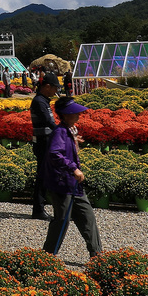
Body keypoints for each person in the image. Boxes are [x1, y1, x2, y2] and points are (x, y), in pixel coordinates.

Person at [42, 97, 104, 259]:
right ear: (65, 114)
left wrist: (74, 141)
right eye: (74, 112)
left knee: (87, 217)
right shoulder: (60, 131)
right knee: (62, 221)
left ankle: (97, 255)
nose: (78, 114)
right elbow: (55, 154)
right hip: (62, 185)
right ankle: (47, 256)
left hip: (74, 185)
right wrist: (73, 168)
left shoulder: (69, 131)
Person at [29, 73, 62, 220]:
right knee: (44, 175)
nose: (56, 91)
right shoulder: (39, 101)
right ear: (47, 86)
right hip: (44, 142)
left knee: (46, 175)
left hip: (46, 141)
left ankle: (41, 208)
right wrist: (63, 131)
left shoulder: (43, 101)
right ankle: (39, 209)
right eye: (55, 88)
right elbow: (50, 123)